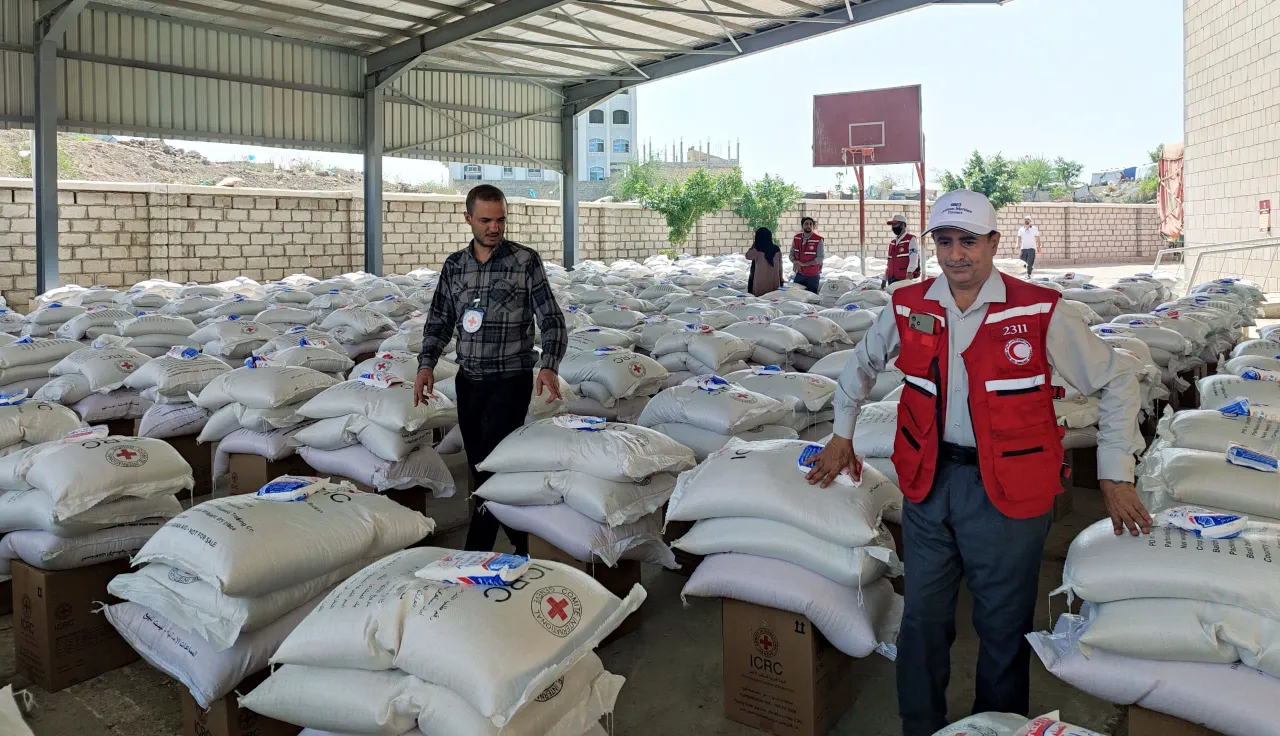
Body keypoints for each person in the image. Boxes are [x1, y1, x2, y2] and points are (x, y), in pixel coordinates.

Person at [802, 190, 1149, 736]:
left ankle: (999, 727)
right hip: (928, 484)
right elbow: (862, 365)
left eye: (969, 241)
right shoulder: (911, 304)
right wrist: (841, 434)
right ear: (933, 245)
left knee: (1003, 624)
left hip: (1010, 492)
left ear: (994, 243)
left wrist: (1114, 473)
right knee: (922, 619)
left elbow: (1117, 379)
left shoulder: (1037, 308)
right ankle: (920, 725)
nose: (957, 254)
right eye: (945, 241)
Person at [413, 184, 568, 556]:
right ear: (468, 219)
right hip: (469, 383)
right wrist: (426, 364)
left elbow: (551, 319)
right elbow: (439, 320)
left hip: (510, 380)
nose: (494, 227)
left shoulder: (524, 261)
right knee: (479, 462)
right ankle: (523, 541)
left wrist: (548, 365)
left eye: (500, 219)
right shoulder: (455, 267)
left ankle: (475, 551)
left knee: (489, 466)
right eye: (485, 220)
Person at [745, 226, 783, 296]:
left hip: (760, 285)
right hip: (774, 283)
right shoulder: (777, 249)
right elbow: (780, 266)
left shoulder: (757, 250)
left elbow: (747, 256)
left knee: (761, 303)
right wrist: (781, 278)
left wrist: (753, 246)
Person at [789, 216, 824, 293]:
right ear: (802, 226)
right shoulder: (796, 238)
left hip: (812, 275)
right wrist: (795, 262)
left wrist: (804, 264)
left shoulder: (818, 239)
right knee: (796, 295)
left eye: (810, 224)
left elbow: (820, 258)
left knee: (812, 297)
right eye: (806, 224)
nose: (808, 226)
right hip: (799, 273)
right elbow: (791, 254)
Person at [884, 213, 920, 285]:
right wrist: (884, 278)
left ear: (903, 225)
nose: (893, 227)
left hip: (904, 278)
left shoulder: (910, 239)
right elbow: (889, 263)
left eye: (895, 224)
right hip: (891, 279)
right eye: (892, 225)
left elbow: (914, 258)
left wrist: (910, 271)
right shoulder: (892, 243)